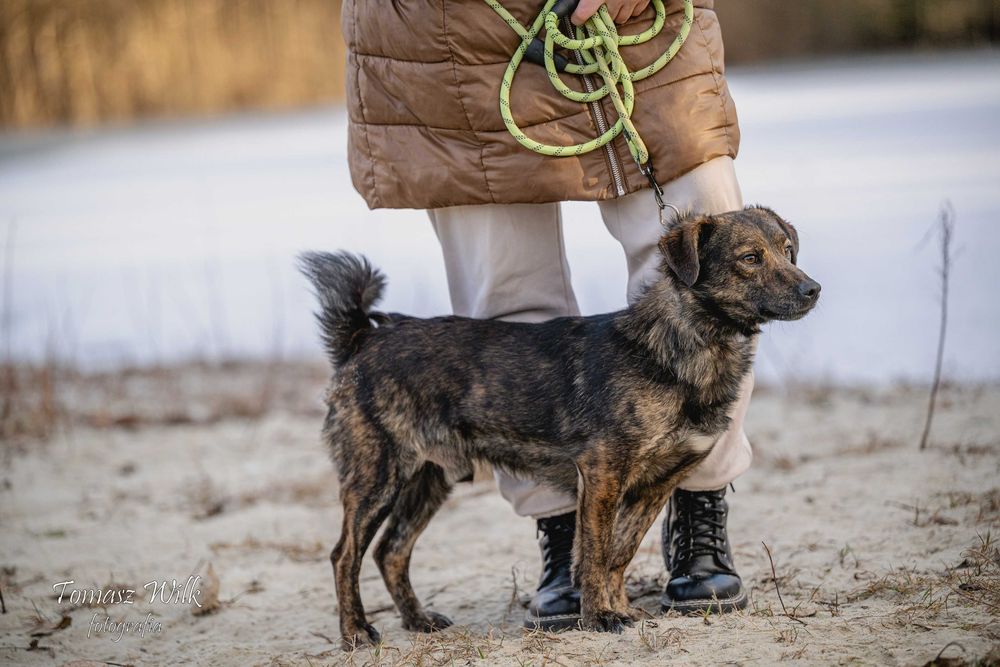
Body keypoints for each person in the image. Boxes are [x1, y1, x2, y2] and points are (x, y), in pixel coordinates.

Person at [341, 0, 752, 629]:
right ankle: (563, 533)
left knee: (711, 247)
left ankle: (698, 508)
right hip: (453, 35)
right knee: (506, 293)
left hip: (643, 23)